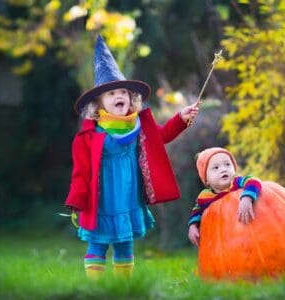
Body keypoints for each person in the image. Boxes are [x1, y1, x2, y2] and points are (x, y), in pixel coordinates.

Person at [65, 35, 198, 279]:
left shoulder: (138, 125)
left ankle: (121, 288)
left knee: (125, 243)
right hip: (103, 197)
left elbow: (163, 135)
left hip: (128, 195)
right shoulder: (89, 134)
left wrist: (181, 118)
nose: (119, 96)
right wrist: (77, 199)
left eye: (123, 92)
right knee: (98, 243)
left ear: (131, 98)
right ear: (99, 103)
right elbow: (81, 171)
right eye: (112, 93)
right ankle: (96, 289)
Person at [188, 147, 262, 247]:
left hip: (246, 235)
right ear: (207, 180)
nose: (223, 169)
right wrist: (193, 226)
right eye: (216, 168)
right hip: (222, 243)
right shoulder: (205, 197)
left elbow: (253, 181)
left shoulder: (236, 183)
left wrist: (247, 198)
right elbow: (197, 211)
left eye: (227, 164)